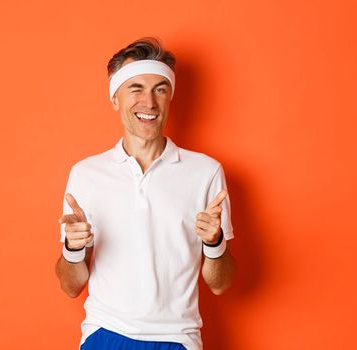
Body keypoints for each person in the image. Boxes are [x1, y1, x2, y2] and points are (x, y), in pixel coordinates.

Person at [54, 37, 236, 350]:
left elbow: (221, 284)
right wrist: (73, 248)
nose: (149, 102)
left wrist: (214, 243)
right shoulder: (85, 175)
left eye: (160, 89)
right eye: (135, 88)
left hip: (176, 338)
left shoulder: (206, 172)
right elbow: (71, 287)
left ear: (170, 98)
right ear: (115, 98)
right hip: (104, 333)